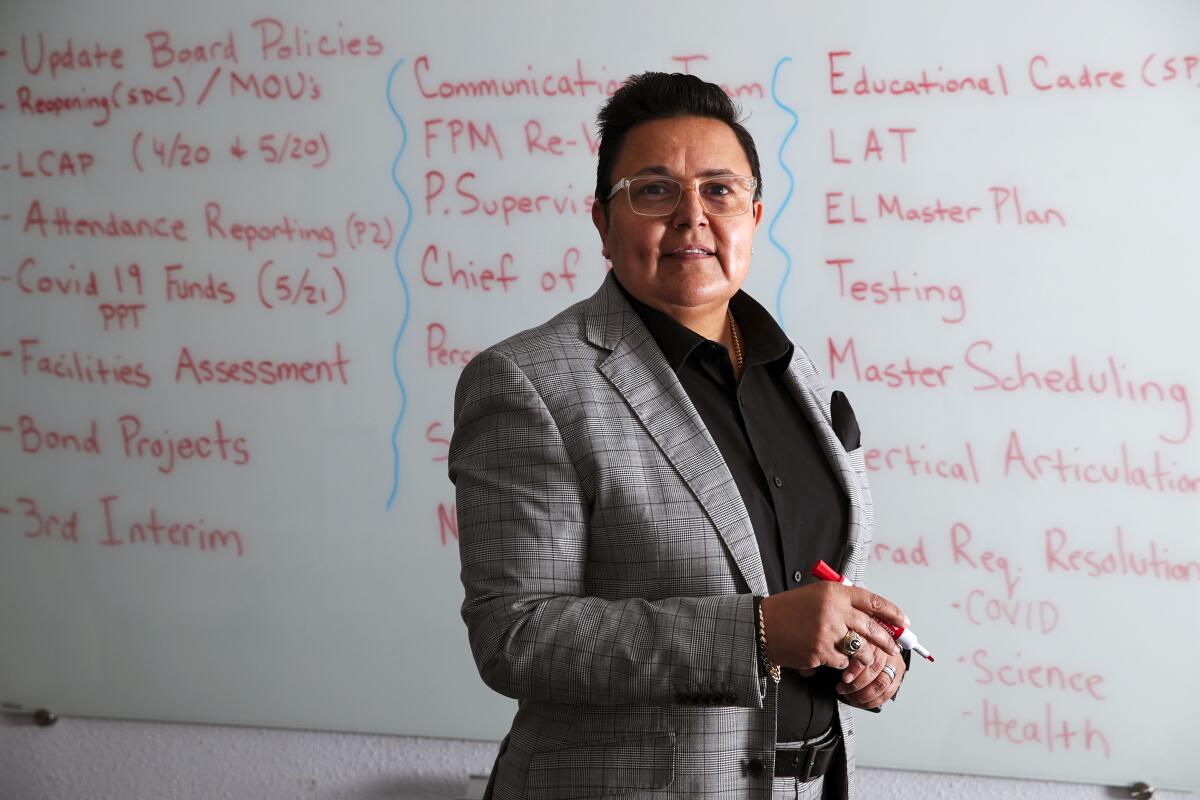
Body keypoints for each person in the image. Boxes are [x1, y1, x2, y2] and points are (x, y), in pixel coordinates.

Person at [449, 71, 910, 800]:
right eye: (655, 190)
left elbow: (797, 588)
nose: (693, 217)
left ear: (753, 215)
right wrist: (757, 635)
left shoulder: (796, 372)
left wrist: (862, 654)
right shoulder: (529, 381)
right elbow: (517, 636)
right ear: (603, 221)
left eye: (719, 190)